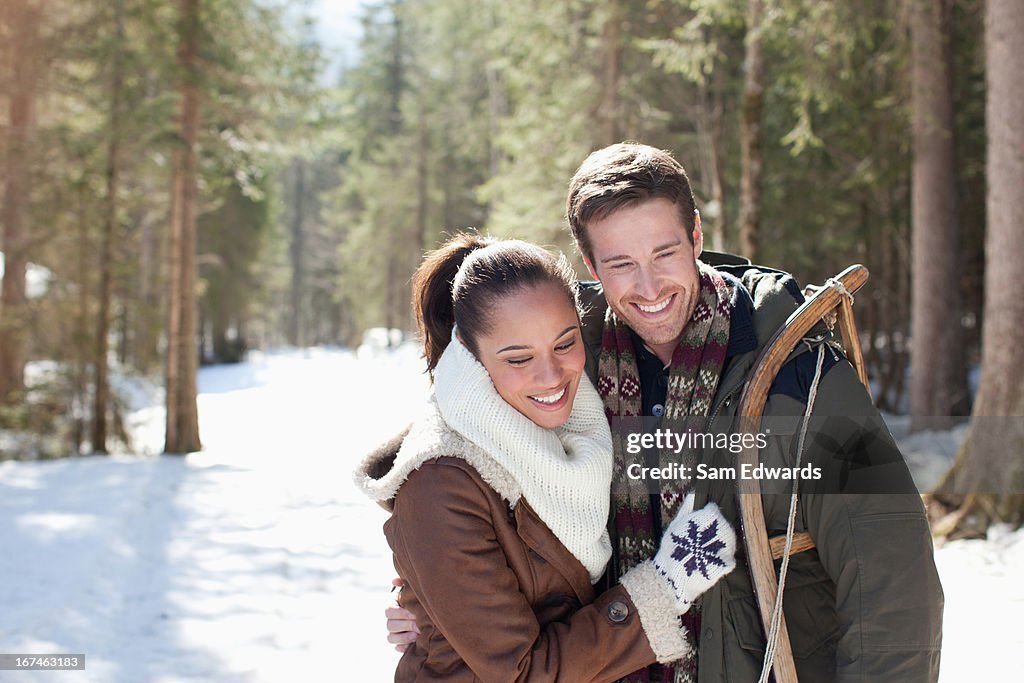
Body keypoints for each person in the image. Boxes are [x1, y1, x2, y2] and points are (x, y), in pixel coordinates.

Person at [384, 143, 944, 683]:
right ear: (591, 265)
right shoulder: (572, 360)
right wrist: (431, 603)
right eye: (621, 263)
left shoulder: (799, 375)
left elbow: (895, 581)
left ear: (696, 236)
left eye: (665, 253)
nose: (648, 287)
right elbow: (465, 472)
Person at [355, 233, 739, 681]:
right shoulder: (442, 482)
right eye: (518, 359)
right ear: (469, 354)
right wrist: (664, 587)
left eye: (564, 344)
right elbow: (520, 672)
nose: (552, 375)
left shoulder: (583, 432)